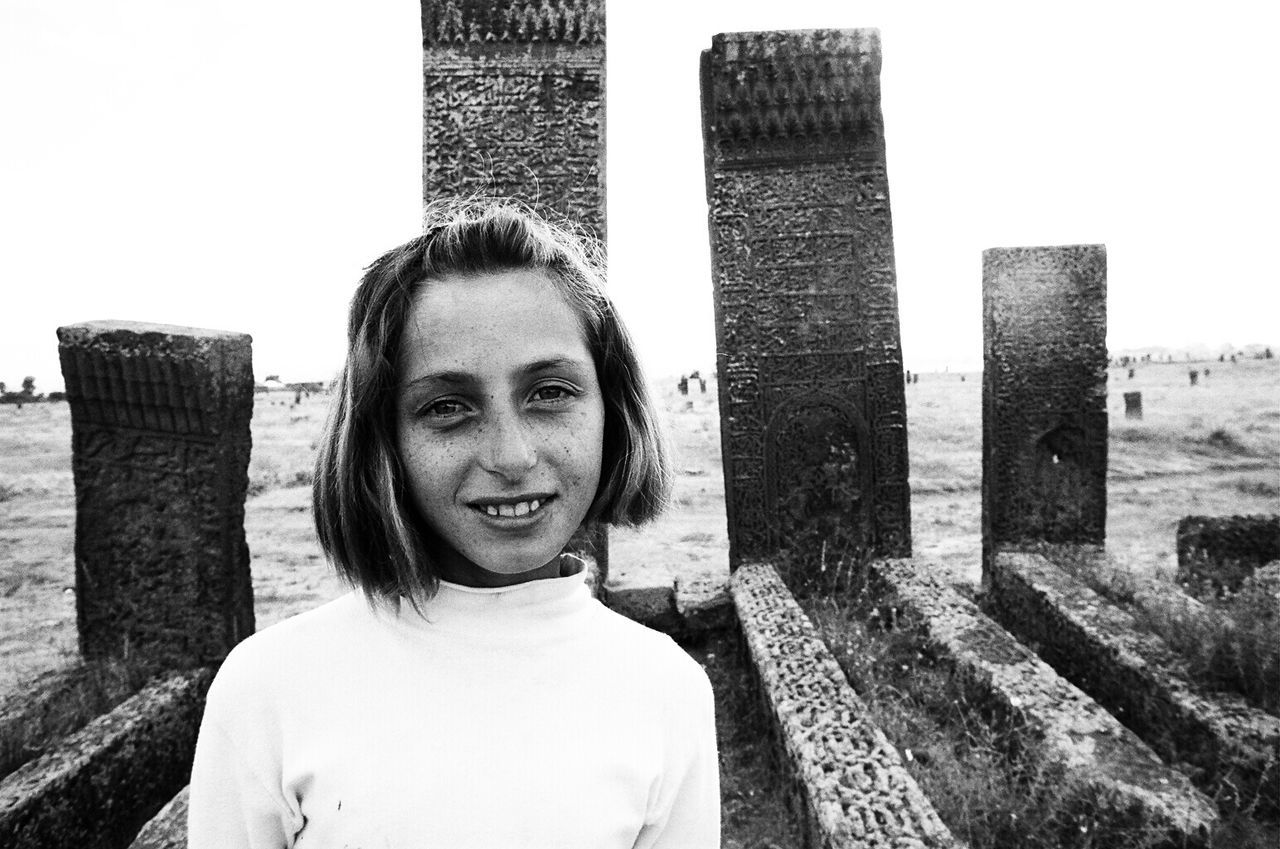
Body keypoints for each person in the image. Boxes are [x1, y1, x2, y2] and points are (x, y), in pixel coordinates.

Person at [187, 198, 721, 848]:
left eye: (550, 392)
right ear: (385, 439)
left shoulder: (668, 690)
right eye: (448, 406)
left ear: (614, 409)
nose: (511, 456)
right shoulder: (268, 689)